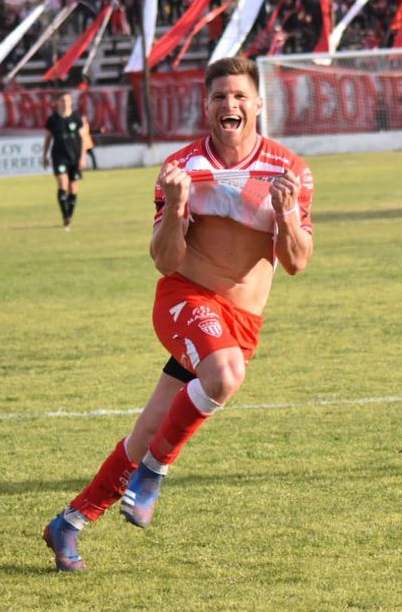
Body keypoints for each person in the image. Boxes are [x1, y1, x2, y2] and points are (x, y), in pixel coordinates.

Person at [42, 56, 314, 572]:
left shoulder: (290, 170)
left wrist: (285, 214)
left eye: (238, 96)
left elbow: (297, 262)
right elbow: (164, 260)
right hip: (185, 300)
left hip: (238, 325)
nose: (228, 104)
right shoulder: (181, 169)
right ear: (206, 106)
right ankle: (155, 472)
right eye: (218, 97)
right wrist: (174, 205)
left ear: (258, 104)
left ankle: (69, 524)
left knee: (146, 431)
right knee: (224, 375)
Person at [41, 93, 85, 228]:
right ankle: (65, 216)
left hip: (74, 157)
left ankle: (69, 216)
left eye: (67, 100)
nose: (65, 103)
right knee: (62, 184)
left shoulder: (77, 118)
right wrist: (45, 155)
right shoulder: (52, 120)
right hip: (59, 156)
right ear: (57, 102)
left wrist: (83, 157)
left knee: (73, 188)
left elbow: (83, 139)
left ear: (71, 102)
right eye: (62, 100)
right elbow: (48, 138)